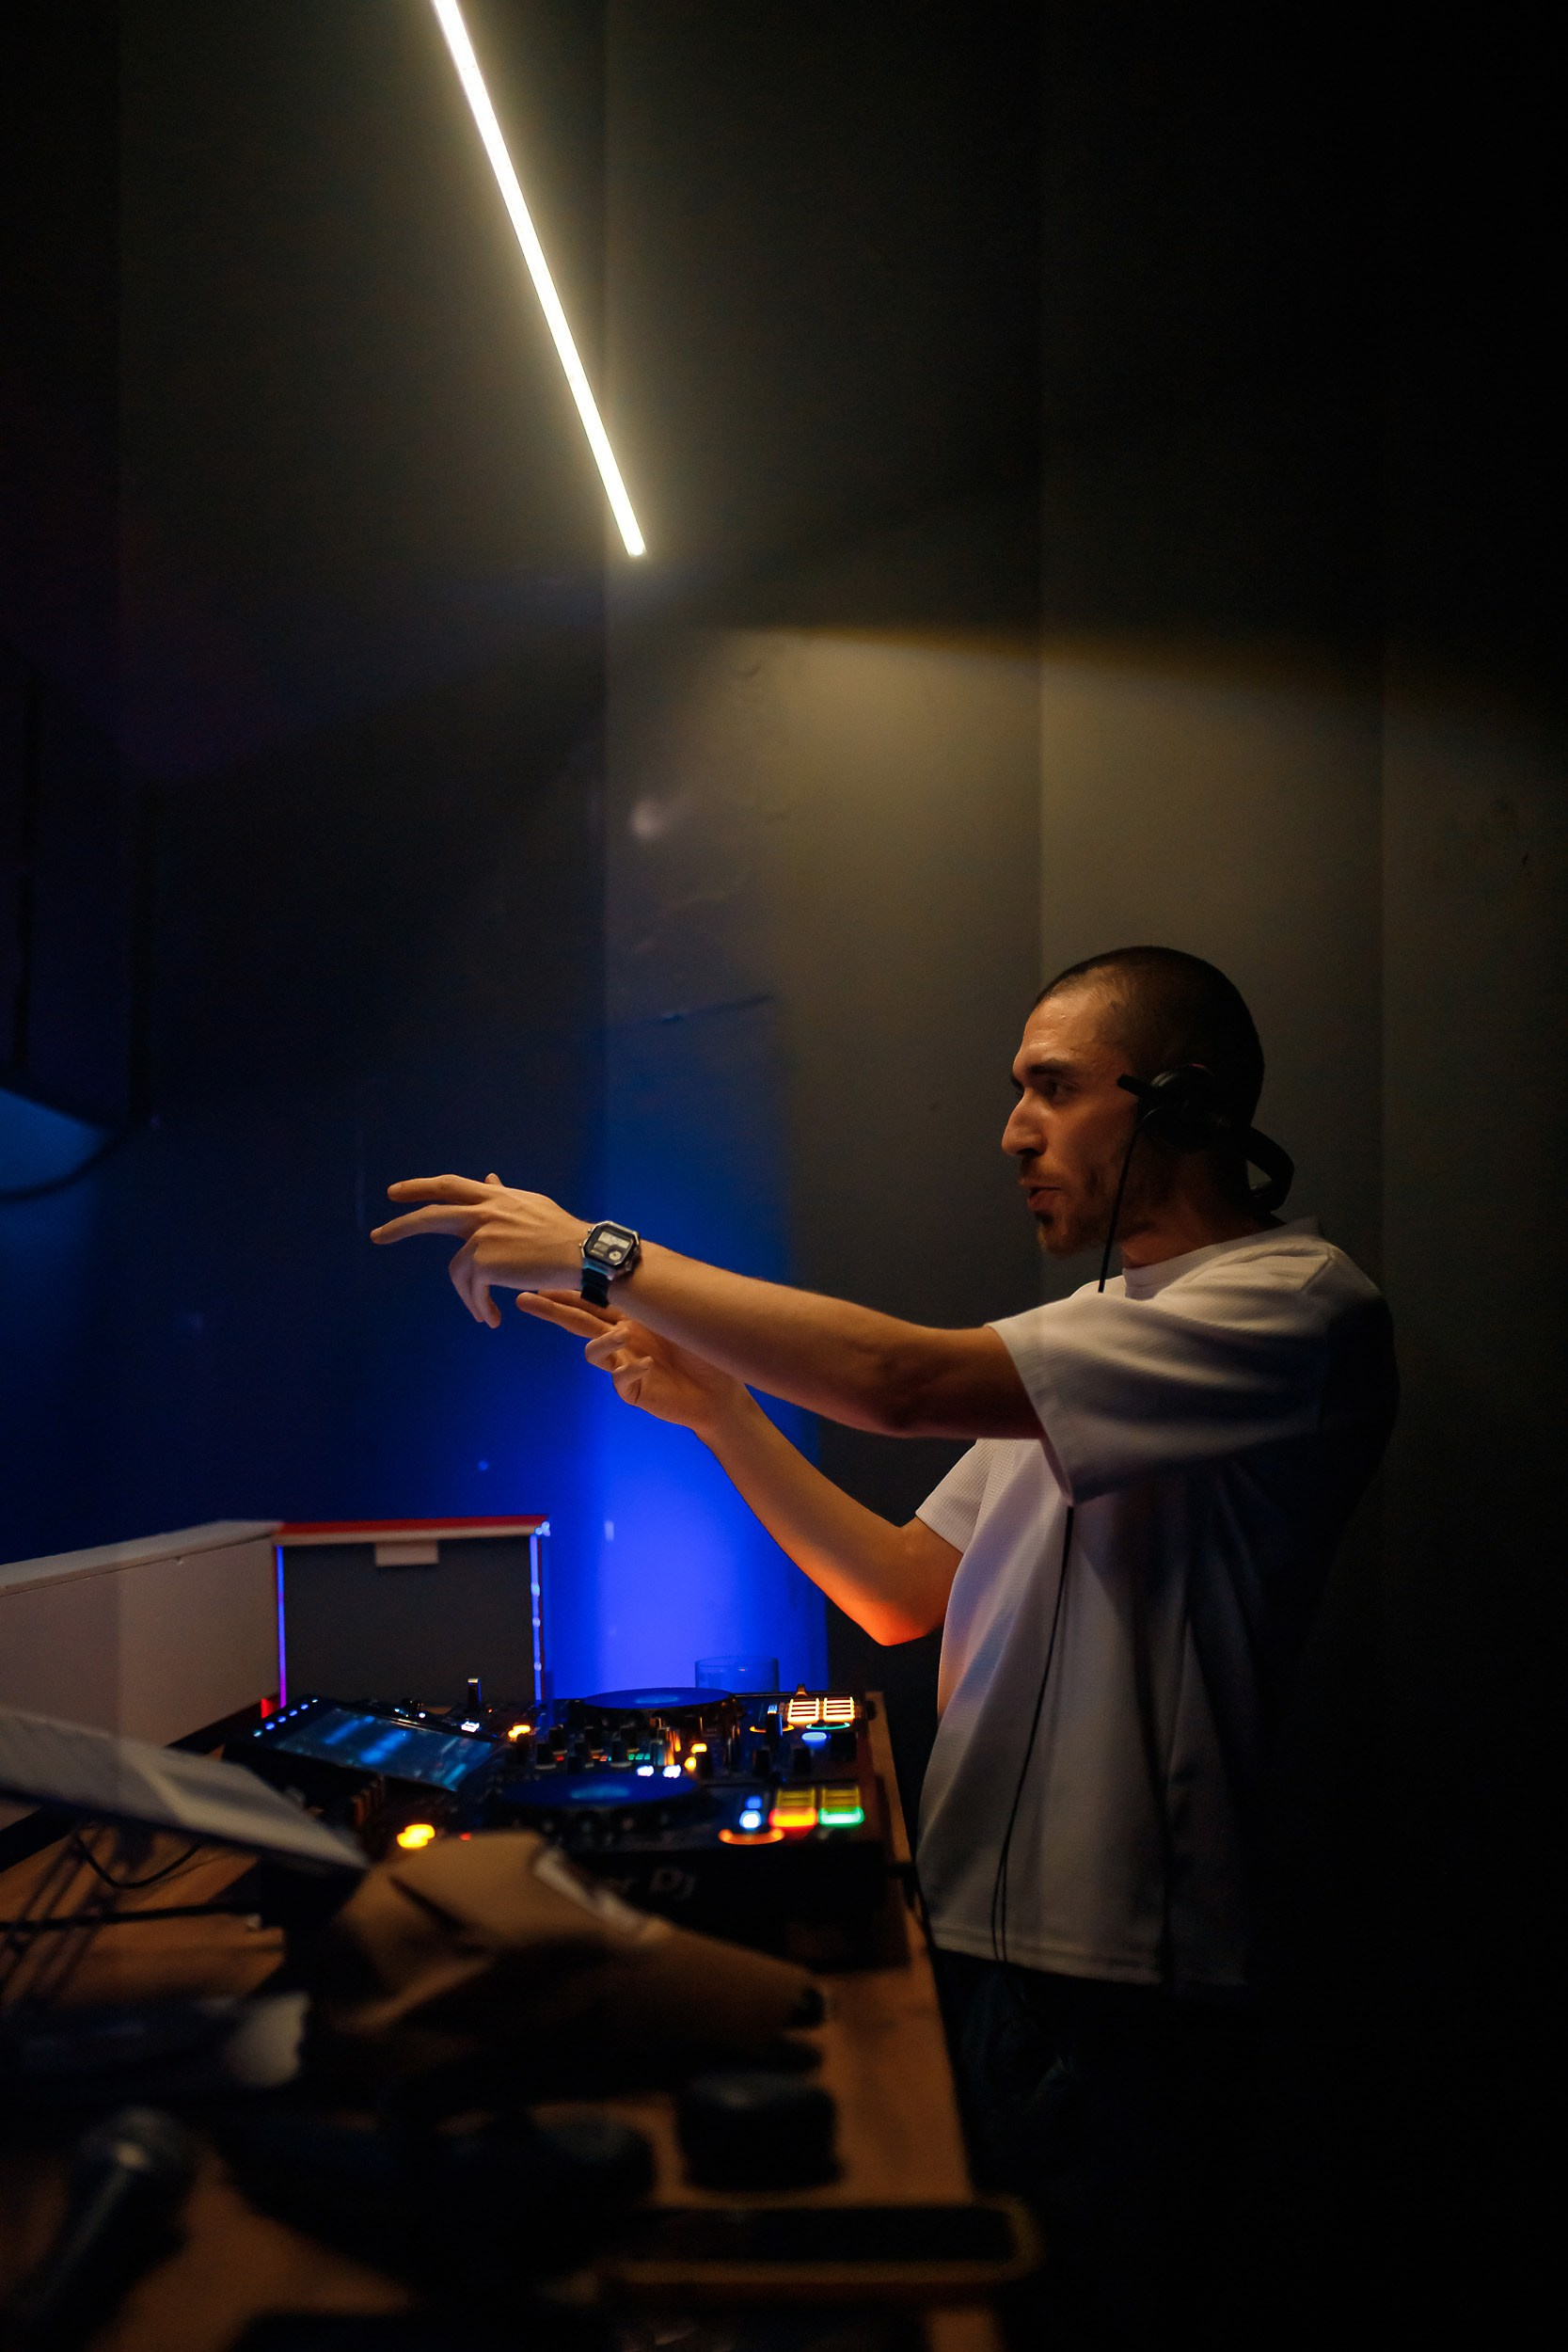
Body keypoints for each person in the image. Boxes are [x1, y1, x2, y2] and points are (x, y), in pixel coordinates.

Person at [372, 945, 1397, 2346]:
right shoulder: (1083, 1333)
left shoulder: (1296, 1304)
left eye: (1054, 1088)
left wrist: (605, 1253)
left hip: (1125, 1976)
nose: (1014, 1131)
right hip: (979, 1935)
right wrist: (723, 1413)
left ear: (1185, 1104)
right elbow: (902, 1592)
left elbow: (898, 1380)